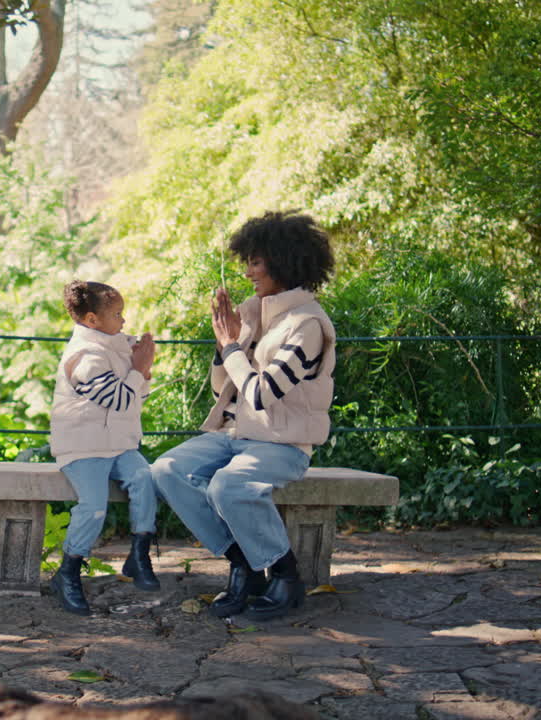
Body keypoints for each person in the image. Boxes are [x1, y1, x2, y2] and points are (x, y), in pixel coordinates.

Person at [151, 210, 336, 621]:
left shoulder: (307, 324)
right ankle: (245, 563)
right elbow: (225, 390)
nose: (249, 271)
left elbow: (263, 393)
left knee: (228, 485)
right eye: (247, 261)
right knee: (166, 469)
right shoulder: (255, 310)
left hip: (282, 444)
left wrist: (232, 347)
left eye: (256, 261)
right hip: (235, 434)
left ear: (284, 261)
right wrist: (225, 347)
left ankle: (285, 575)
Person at [48, 280, 160, 616]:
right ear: (93, 320)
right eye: (117, 314)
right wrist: (141, 368)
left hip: (117, 443)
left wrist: (141, 368)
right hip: (84, 446)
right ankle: (68, 570)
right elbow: (121, 399)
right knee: (94, 505)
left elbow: (138, 394)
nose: (124, 321)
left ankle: (139, 555)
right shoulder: (84, 357)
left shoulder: (117, 346)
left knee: (145, 479)